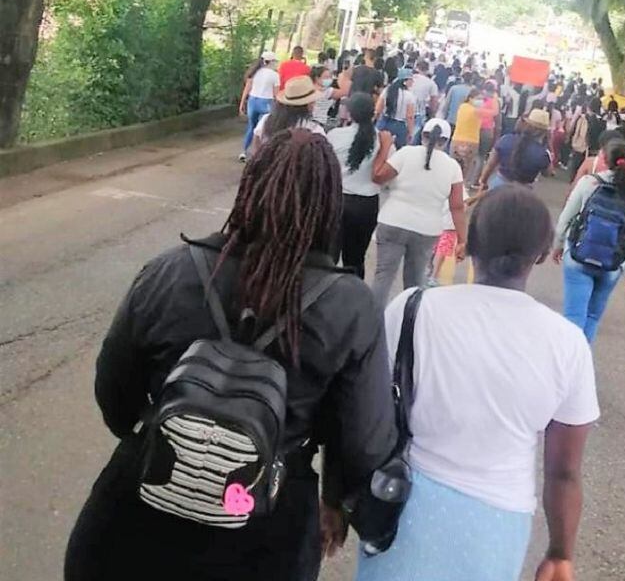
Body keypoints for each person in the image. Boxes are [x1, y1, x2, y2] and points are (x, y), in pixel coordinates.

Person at [65, 129, 397, 581]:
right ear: (327, 208)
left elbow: (114, 393)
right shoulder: (352, 308)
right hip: (266, 533)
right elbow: (365, 443)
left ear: (250, 187)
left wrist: (169, 439)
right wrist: (335, 499)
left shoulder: (170, 270)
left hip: (135, 516)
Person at [346, 185, 598, 581]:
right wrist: (560, 553)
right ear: (540, 253)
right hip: (496, 523)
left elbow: (365, 415)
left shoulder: (412, 308)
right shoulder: (567, 345)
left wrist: (337, 498)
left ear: (471, 244)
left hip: (401, 507)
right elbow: (564, 472)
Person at [553, 139, 625, 343]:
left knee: (573, 317)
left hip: (579, 257)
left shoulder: (589, 183)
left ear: (603, 158)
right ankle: (582, 365)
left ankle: (567, 366)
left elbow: (565, 219)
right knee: (592, 317)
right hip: (612, 264)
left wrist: (558, 246)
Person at [370, 119, 466, 309]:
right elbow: (457, 207)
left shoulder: (405, 153)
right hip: (427, 229)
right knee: (414, 284)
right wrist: (462, 240)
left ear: (422, 135)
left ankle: (372, 325)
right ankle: (407, 325)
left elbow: (378, 176)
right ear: (446, 141)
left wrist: (384, 150)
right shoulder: (452, 167)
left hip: (393, 222)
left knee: (383, 277)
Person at [328, 94, 390, 279]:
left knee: (328, 257)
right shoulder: (381, 140)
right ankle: (353, 299)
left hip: (337, 200)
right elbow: (384, 176)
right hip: (366, 205)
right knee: (355, 259)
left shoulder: (334, 136)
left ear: (349, 113)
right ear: (373, 114)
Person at [250, 75, 326, 155]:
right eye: (313, 102)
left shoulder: (267, 119)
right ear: (309, 104)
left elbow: (256, 143)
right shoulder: (314, 130)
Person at [479, 109, 552, 189]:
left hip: (499, 185)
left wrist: (483, 181)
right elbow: (547, 173)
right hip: (523, 192)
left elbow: (490, 165)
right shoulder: (543, 154)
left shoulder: (506, 139)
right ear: (544, 132)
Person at [238, 51, 279, 161]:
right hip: (266, 102)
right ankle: (259, 154)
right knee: (263, 129)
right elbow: (276, 94)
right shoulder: (275, 75)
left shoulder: (254, 72)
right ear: (271, 62)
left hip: (252, 101)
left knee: (251, 127)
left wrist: (242, 104)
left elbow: (247, 89)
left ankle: (243, 152)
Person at [375, 69, 417, 149]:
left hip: (384, 122)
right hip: (399, 127)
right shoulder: (409, 96)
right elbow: (410, 116)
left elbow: (378, 109)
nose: (412, 82)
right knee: (397, 151)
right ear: (405, 81)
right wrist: (410, 132)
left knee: (378, 147)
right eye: (411, 79)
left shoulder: (387, 90)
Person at [449, 88, 482, 181]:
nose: (480, 101)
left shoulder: (462, 107)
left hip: (457, 140)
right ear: (471, 98)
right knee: (466, 170)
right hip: (472, 142)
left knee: (453, 167)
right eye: (478, 98)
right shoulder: (477, 111)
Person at [410, 60, 441, 143]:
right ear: (427, 70)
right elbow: (434, 102)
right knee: (414, 137)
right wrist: (432, 114)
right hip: (418, 113)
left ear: (417, 67)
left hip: (404, 109)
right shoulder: (431, 83)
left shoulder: (409, 78)